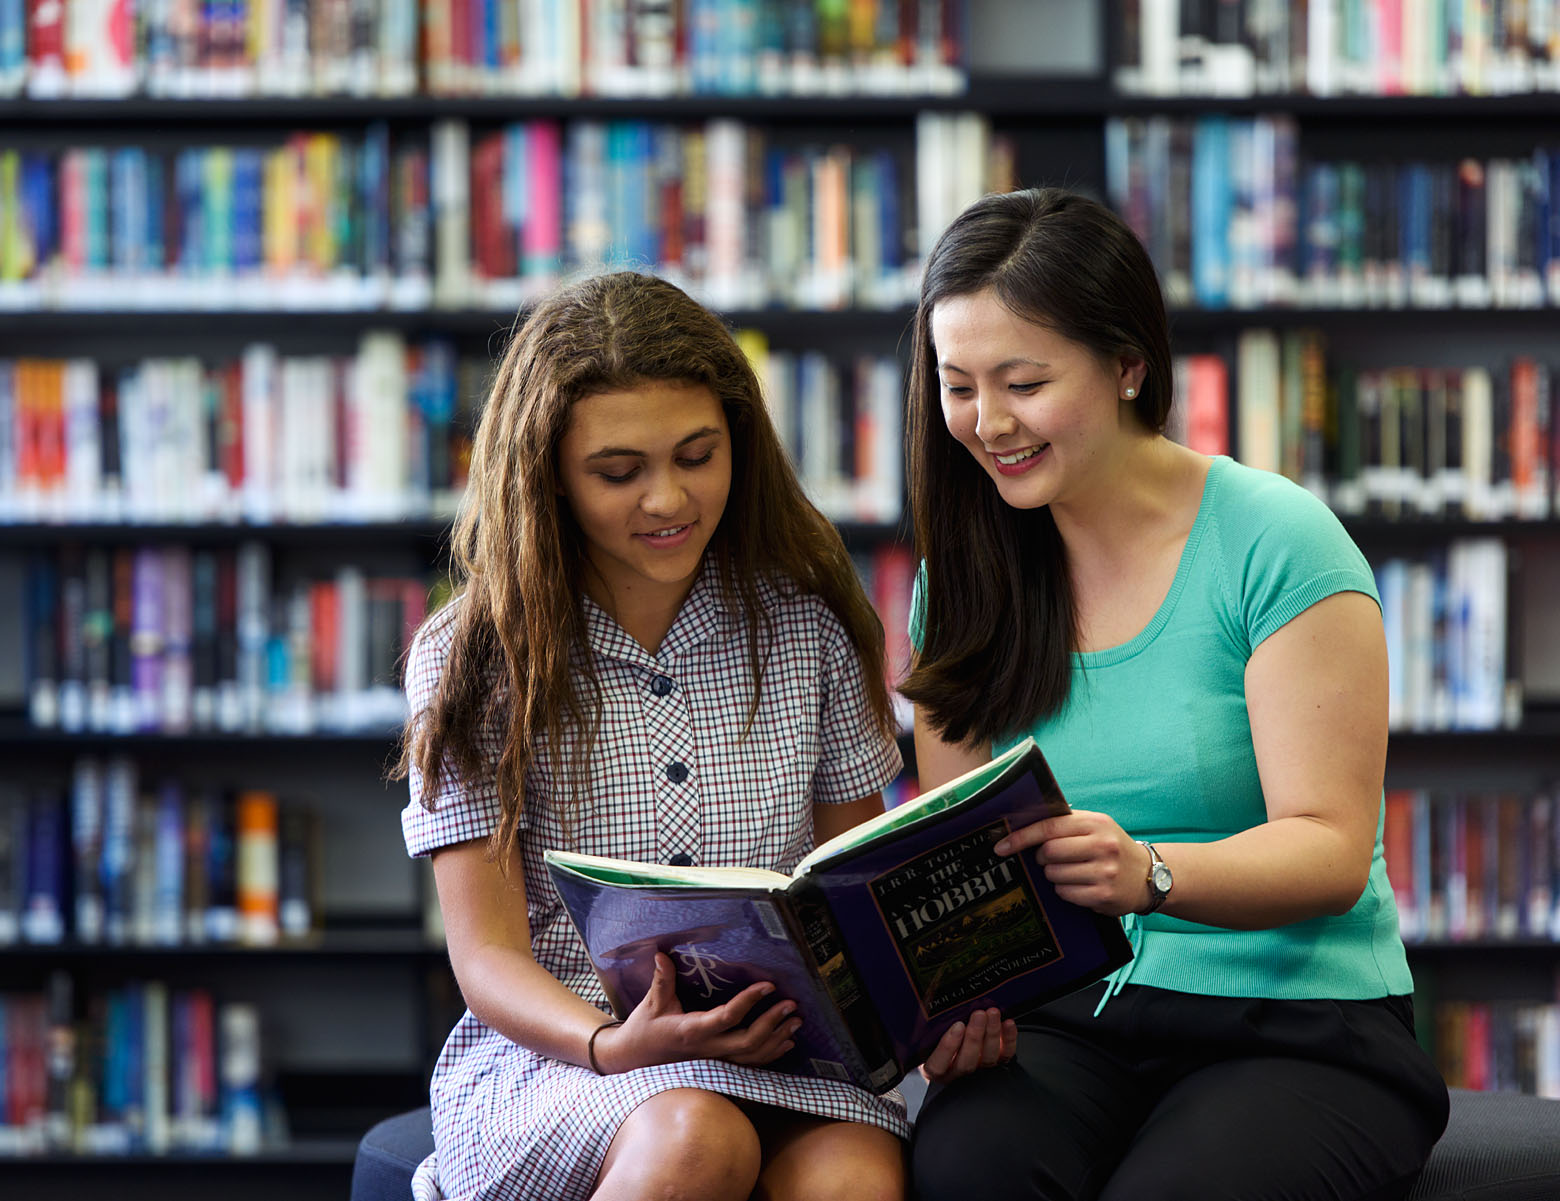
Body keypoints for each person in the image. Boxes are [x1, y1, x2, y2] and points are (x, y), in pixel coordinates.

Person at [899, 189, 1450, 1201]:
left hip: (1292, 1022)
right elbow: (960, 856)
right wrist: (948, 999)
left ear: (1127, 366)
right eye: (960, 385)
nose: (988, 423)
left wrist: (1147, 870)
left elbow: (1329, 848)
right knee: (964, 1167)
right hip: (1067, 1018)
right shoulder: (962, 583)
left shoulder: (1275, 543)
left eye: (1024, 381)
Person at [396, 271, 914, 1201]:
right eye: (618, 471)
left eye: (697, 454)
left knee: (855, 1179)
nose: (668, 498)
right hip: (564, 1053)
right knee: (694, 1138)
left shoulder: (807, 628)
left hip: (787, 1051)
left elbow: (848, 895)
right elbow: (489, 957)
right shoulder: (471, 655)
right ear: (546, 472)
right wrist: (613, 1044)